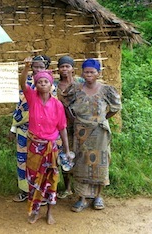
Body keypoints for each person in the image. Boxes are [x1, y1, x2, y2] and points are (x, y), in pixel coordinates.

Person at [60, 58, 122, 212]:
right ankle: (81, 198)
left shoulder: (106, 90)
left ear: (98, 73)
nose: (88, 75)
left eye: (92, 72)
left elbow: (115, 107)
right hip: (81, 132)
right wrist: (73, 119)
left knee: (100, 164)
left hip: (99, 133)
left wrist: (102, 119)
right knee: (81, 164)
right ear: (82, 72)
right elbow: (65, 103)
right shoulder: (75, 89)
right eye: (86, 72)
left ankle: (98, 197)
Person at [19, 57, 71, 225]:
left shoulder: (57, 105)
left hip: (51, 148)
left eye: (45, 82)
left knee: (51, 180)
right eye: (39, 81)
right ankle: (35, 211)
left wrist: (67, 150)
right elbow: (22, 83)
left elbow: (62, 127)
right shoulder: (31, 98)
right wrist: (26, 67)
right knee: (34, 181)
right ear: (35, 84)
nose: (42, 84)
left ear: (51, 85)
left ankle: (49, 212)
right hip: (34, 146)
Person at [9, 55, 51, 203]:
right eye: (36, 66)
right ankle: (24, 191)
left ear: (46, 68)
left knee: (40, 162)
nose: (38, 69)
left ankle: (41, 192)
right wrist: (14, 128)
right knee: (23, 161)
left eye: (41, 67)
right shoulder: (24, 84)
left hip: (42, 132)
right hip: (24, 129)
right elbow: (19, 108)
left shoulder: (50, 85)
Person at [56, 55, 84, 199]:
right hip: (62, 127)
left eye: (67, 66)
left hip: (80, 126)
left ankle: (80, 187)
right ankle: (67, 188)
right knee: (64, 156)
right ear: (58, 69)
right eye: (62, 66)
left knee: (80, 155)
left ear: (73, 68)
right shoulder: (55, 86)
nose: (65, 69)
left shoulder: (81, 83)